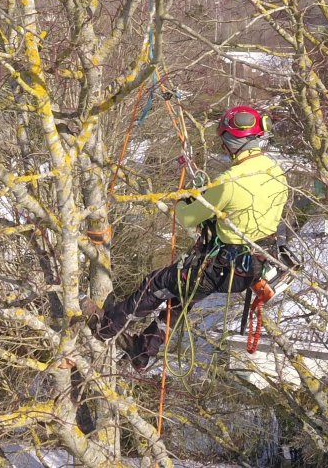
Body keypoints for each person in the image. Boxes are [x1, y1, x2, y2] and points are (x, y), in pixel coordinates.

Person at [92, 105, 289, 370]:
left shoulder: (230, 180)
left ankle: (105, 328)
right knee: (179, 300)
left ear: (232, 142)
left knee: (156, 285)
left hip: (220, 266)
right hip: (250, 268)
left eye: (224, 143)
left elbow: (186, 217)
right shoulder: (276, 173)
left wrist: (187, 198)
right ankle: (143, 351)